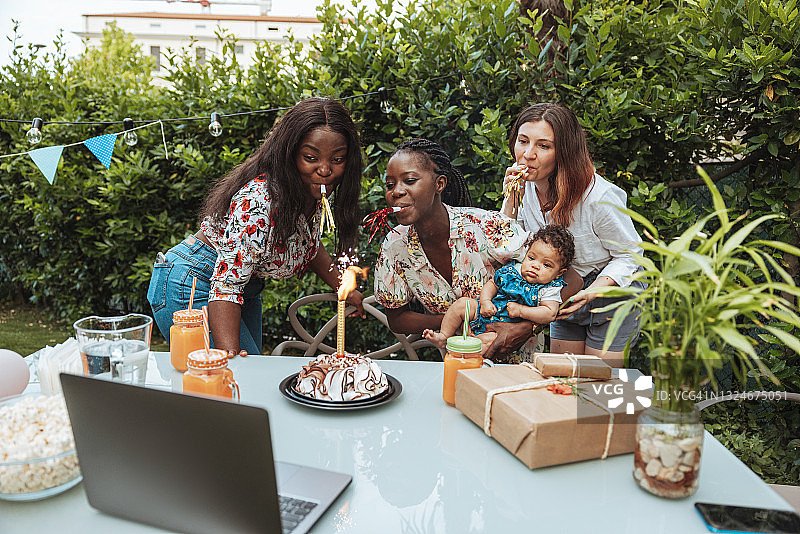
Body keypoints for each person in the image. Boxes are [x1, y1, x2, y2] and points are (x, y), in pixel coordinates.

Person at [147, 97, 365, 356]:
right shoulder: (260, 202)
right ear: (290, 153)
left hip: (242, 287)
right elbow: (226, 287)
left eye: (338, 159)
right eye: (310, 157)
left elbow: (309, 245)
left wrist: (344, 287)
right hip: (196, 282)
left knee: (247, 373)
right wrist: (230, 365)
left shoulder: (312, 194)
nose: (325, 169)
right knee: (232, 381)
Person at [501, 102, 643, 367]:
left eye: (543, 146)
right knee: (561, 377)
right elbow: (507, 247)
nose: (528, 154)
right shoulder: (524, 189)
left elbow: (631, 254)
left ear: (563, 152)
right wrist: (510, 198)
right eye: (523, 141)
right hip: (564, 290)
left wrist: (594, 291)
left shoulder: (597, 197)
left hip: (611, 293)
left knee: (595, 385)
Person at [373, 138, 535, 361]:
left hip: (519, 363)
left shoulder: (485, 226)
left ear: (439, 184)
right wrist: (458, 318)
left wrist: (528, 326)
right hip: (457, 363)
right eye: (390, 185)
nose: (396, 192)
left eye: (409, 180)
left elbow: (566, 278)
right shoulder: (395, 246)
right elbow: (397, 319)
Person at [422, 225, 574, 351]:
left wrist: (521, 311)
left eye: (546, 265)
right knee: (463, 304)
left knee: (489, 342)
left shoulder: (549, 288)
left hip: (505, 328)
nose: (535, 265)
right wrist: (486, 300)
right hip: (486, 312)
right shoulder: (513, 270)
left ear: (559, 273)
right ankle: (443, 336)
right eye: (531, 258)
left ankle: (470, 349)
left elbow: (549, 313)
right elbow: (493, 284)